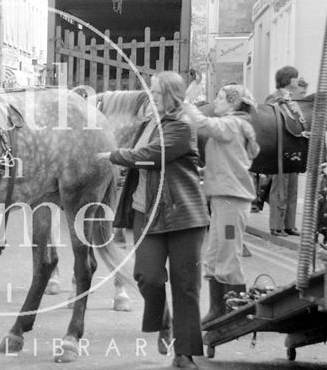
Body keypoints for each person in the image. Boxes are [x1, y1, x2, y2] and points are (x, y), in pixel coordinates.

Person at [98, 71, 209, 369]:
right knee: (147, 277)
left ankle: (184, 353)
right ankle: (164, 321)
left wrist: (114, 155)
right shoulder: (148, 125)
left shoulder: (182, 126)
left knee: (186, 286)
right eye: (152, 91)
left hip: (184, 216)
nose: (152, 96)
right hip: (146, 212)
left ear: (173, 95)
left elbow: (150, 156)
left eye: (158, 92)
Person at [183, 85, 260, 324]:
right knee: (216, 254)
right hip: (224, 198)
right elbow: (232, 160)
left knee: (227, 253)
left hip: (230, 200)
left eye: (220, 98)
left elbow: (203, 124)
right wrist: (205, 170)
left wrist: (185, 103)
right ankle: (218, 310)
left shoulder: (231, 124)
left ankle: (235, 313)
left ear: (233, 103)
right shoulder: (239, 125)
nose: (216, 102)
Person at [265, 66, 302, 237]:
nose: (297, 80)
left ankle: (289, 224)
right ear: (287, 79)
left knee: (292, 187)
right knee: (280, 187)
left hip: (293, 148)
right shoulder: (273, 98)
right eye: (295, 77)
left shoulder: (294, 99)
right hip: (279, 148)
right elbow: (269, 121)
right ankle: (276, 225)